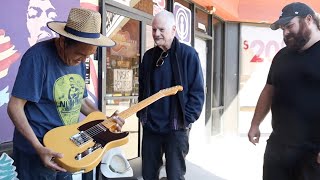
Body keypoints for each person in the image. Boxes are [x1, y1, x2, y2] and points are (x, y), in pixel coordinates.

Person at [7, 8, 124, 180]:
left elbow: (81, 101)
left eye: (89, 55)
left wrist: (106, 121)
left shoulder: (78, 59)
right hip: (36, 154)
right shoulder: (37, 57)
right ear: (62, 42)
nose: (83, 61)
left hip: (67, 147)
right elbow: (14, 107)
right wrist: (38, 147)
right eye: (80, 54)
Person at [248, 2, 320, 180]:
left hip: (312, 153)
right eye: (282, 28)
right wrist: (255, 123)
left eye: (289, 26)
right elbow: (269, 89)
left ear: (309, 20)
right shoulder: (282, 56)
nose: (285, 33)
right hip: (278, 148)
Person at [137, 10, 205, 180]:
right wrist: (143, 116)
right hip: (151, 128)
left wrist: (185, 119)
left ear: (173, 30)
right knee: (148, 174)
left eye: (161, 30)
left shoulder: (188, 55)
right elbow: (143, 89)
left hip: (176, 129)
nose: (156, 34)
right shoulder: (148, 57)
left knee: (175, 175)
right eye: (154, 30)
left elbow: (197, 93)